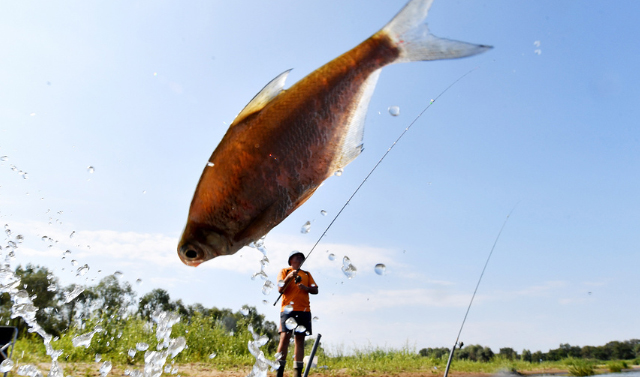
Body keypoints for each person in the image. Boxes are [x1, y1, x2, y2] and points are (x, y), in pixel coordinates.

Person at [276, 251, 318, 377]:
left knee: (300, 339)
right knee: (285, 338)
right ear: (291, 260)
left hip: (304, 310)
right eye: (296, 256)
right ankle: (279, 372)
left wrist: (307, 288)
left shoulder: (306, 274)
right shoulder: (284, 271)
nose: (299, 257)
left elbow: (316, 289)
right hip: (288, 310)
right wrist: (289, 277)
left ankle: (297, 374)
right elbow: (280, 288)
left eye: (301, 257)